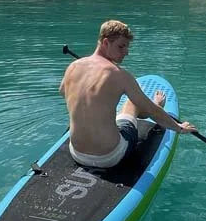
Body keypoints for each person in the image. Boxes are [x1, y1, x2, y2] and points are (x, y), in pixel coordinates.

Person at [60, 20, 196, 169]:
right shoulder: (120, 75)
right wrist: (179, 128)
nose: (126, 52)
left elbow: (63, 91)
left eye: (127, 46)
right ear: (105, 42)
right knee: (132, 103)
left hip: (77, 152)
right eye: (121, 46)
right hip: (109, 157)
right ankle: (156, 103)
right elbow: (152, 113)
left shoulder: (72, 67)